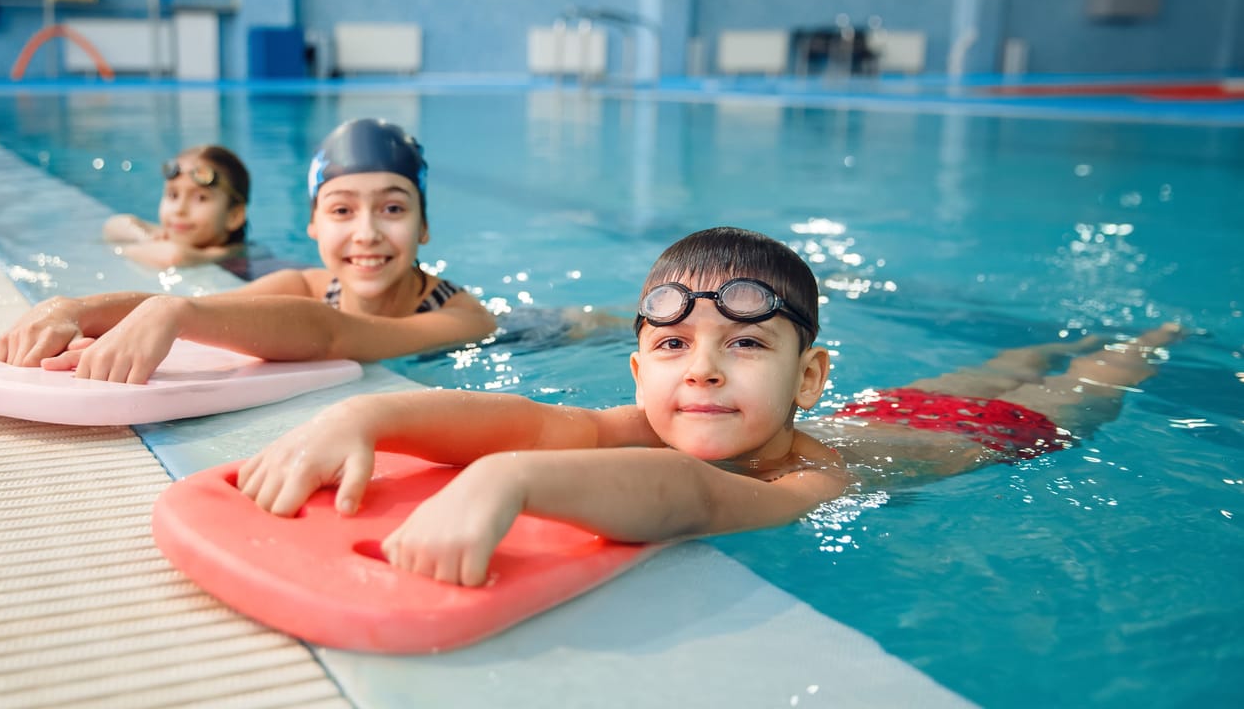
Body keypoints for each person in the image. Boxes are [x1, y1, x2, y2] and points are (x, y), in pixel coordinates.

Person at [236, 226, 1183, 587]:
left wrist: (513, 483)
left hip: (1006, 439)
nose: (706, 372)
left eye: (746, 346)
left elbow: (692, 499)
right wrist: (361, 419)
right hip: (901, 400)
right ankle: (1066, 337)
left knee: (1086, 381)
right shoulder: (646, 421)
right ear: (638, 372)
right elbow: (526, 421)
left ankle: (1157, 337)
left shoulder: (811, 472)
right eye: (675, 347)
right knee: (1006, 359)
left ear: (807, 380)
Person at [0, 118, 496, 383]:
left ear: (424, 224)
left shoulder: (465, 320)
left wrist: (175, 312)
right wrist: (76, 311)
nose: (366, 233)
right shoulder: (306, 285)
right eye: (342, 211)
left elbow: (332, 335)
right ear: (313, 226)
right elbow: (212, 314)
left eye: (392, 209)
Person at [102, 144, 251, 269]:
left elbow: (174, 257)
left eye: (200, 198)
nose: (180, 209)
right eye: (173, 195)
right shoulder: (170, 232)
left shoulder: (233, 254)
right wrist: (146, 237)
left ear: (234, 216)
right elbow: (114, 225)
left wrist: (123, 250)